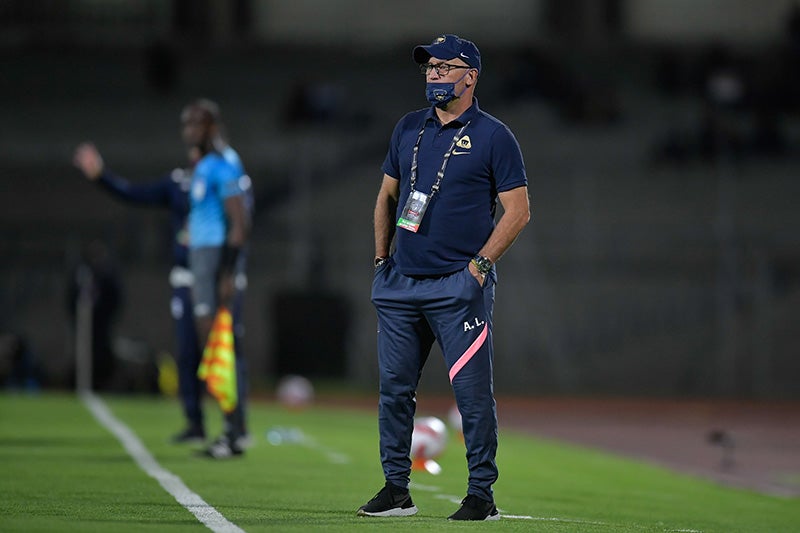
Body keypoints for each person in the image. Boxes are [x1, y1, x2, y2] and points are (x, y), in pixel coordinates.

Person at [357, 35, 530, 521]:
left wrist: (479, 268)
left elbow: (518, 212)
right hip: (401, 284)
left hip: (458, 286)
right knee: (394, 390)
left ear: (470, 76)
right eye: (429, 68)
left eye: (444, 67)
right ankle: (396, 489)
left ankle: (481, 495)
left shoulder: (495, 135)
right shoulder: (408, 127)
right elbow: (386, 198)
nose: (433, 74)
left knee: (471, 396)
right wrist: (380, 260)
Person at [73, 141, 205, 443]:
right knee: (187, 352)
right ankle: (194, 421)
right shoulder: (179, 183)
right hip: (187, 278)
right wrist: (101, 175)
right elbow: (134, 193)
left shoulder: (224, 182)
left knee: (224, 350)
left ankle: (234, 426)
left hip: (216, 277)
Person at [181, 98, 253, 459]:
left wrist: (227, 272)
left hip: (215, 261)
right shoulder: (207, 164)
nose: (188, 132)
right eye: (186, 125)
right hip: (204, 258)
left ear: (210, 126)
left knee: (219, 346)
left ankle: (232, 432)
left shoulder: (223, 164)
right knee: (218, 348)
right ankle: (234, 429)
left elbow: (239, 224)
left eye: (195, 125)